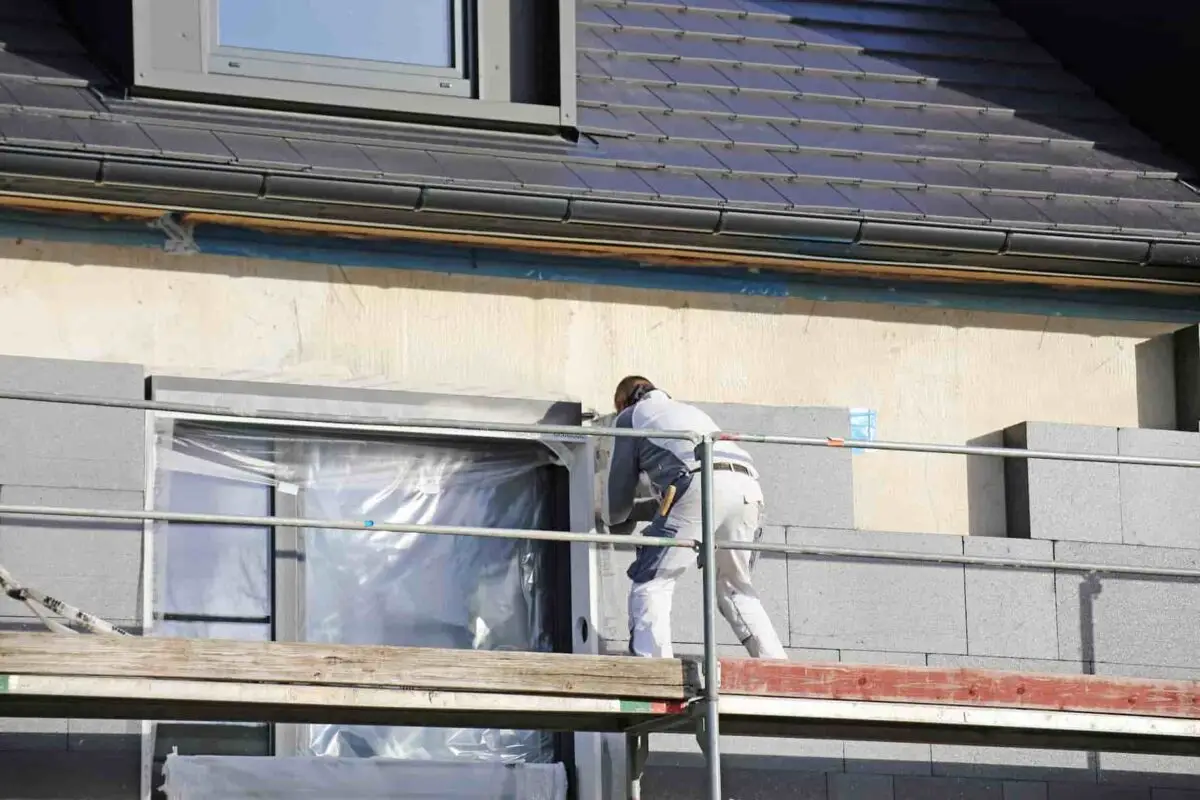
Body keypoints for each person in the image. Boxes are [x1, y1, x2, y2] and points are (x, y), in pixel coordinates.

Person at [602, 376, 787, 660]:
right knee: (735, 586)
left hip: (700, 483)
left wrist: (600, 511)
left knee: (653, 579)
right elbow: (679, 506)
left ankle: (653, 666)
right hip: (748, 491)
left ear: (623, 402)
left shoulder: (629, 417)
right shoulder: (687, 413)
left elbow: (617, 508)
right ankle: (776, 668)